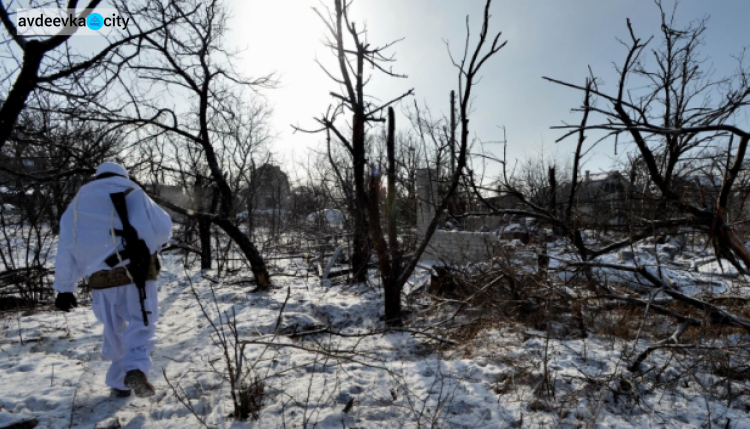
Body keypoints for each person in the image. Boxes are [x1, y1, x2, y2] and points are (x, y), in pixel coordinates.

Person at [52, 162, 173, 398]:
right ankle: (136, 368)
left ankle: (119, 383)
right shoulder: (135, 192)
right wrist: (152, 244)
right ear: (123, 175)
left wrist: (65, 288)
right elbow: (163, 228)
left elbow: (66, 248)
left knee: (113, 329)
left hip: (101, 279)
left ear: (98, 176)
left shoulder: (78, 202)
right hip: (138, 273)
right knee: (142, 322)